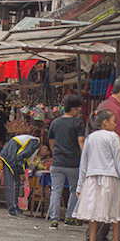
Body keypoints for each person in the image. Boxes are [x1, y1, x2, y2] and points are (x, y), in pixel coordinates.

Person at [73, 109, 120, 241]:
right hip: (110, 177)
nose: (115, 124)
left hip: (92, 177)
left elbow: (84, 163)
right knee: (116, 209)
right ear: (105, 122)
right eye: (113, 121)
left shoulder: (90, 138)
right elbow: (118, 162)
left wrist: (80, 185)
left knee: (94, 212)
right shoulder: (113, 137)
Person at [47, 94, 85, 229]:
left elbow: (51, 141)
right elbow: (81, 141)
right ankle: (70, 217)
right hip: (73, 163)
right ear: (74, 109)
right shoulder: (78, 123)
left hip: (57, 162)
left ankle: (54, 219)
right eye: (79, 109)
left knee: (56, 191)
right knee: (74, 190)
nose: (80, 111)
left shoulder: (55, 122)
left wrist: (54, 151)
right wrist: (85, 156)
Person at [0, 130, 40, 218]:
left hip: (10, 156)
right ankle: (13, 210)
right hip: (11, 157)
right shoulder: (35, 142)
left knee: (14, 185)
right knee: (13, 185)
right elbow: (21, 156)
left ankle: (14, 208)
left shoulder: (32, 141)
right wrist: (21, 173)